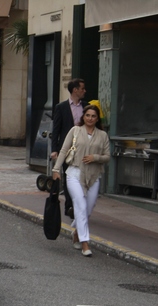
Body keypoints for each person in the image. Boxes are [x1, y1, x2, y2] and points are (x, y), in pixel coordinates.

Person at [52, 104, 111, 257]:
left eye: (93, 116)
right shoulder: (75, 131)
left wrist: (95, 158)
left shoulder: (102, 135)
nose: (90, 118)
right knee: (80, 204)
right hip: (74, 173)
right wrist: (56, 169)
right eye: (88, 115)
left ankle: (77, 232)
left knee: (88, 208)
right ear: (83, 117)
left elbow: (107, 156)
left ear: (97, 119)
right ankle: (85, 243)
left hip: (93, 175)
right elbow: (64, 150)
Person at [50, 78, 88, 219]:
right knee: (69, 177)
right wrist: (55, 149)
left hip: (84, 149)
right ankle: (69, 207)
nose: (84, 91)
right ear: (75, 90)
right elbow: (56, 130)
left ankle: (80, 205)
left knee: (82, 178)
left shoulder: (87, 106)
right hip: (67, 150)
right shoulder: (61, 107)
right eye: (82, 88)